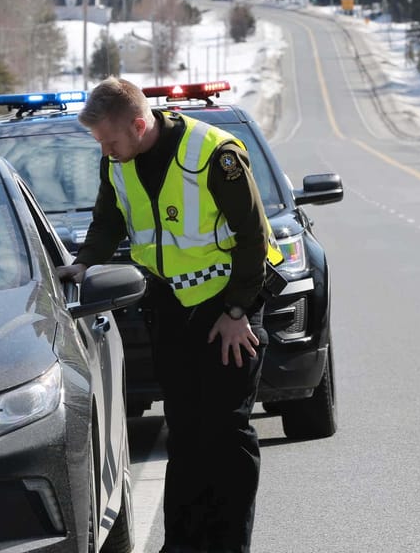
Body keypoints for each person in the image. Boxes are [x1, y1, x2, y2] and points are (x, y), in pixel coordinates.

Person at [56, 77, 281, 553]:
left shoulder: (213, 153)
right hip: (171, 311)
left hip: (228, 312)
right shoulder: (117, 160)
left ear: (139, 124)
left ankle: (227, 546)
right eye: (100, 143)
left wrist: (238, 311)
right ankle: (182, 544)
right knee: (186, 431)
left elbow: (253, 238)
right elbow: (110, 216)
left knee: (226, 434)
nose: (106, 150)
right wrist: (85, 261)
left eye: (111, 141)